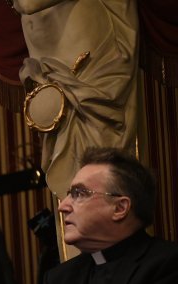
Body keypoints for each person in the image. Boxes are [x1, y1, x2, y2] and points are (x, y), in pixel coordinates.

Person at [14, 0, 138, 212]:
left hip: (89, 71)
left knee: (101, 178)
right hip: (54, 72)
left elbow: (28, 3)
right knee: (72, 187)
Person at [35, 147, 178, 284]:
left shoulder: (167, 265)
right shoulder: (58, 280)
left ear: (120, 208)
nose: (62, 206)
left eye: (79, 193)